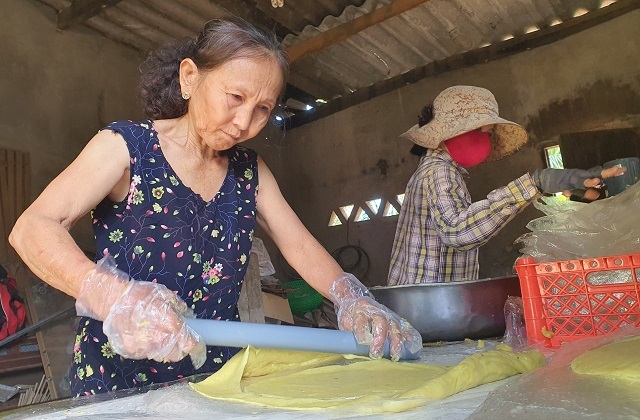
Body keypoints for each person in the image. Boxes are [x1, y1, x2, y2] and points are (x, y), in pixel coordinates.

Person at [9, 18, 421, 397]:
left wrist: (351, 296)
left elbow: (299, 245)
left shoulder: (249, 171)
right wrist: (115, 297)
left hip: (213, 378)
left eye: (263, 109)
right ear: (190, 77)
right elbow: (33, 228)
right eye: (235, 96)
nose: (245, 123)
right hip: (116, 380)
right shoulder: (127, 148)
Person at [388, 85, 625, 285]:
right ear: (460, 131)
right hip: (425, 309)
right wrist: (535, 182)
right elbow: (458, 233)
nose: (487, 141)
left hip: (421, 303)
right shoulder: (439, 172)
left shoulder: (433, 170)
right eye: (486, 132)